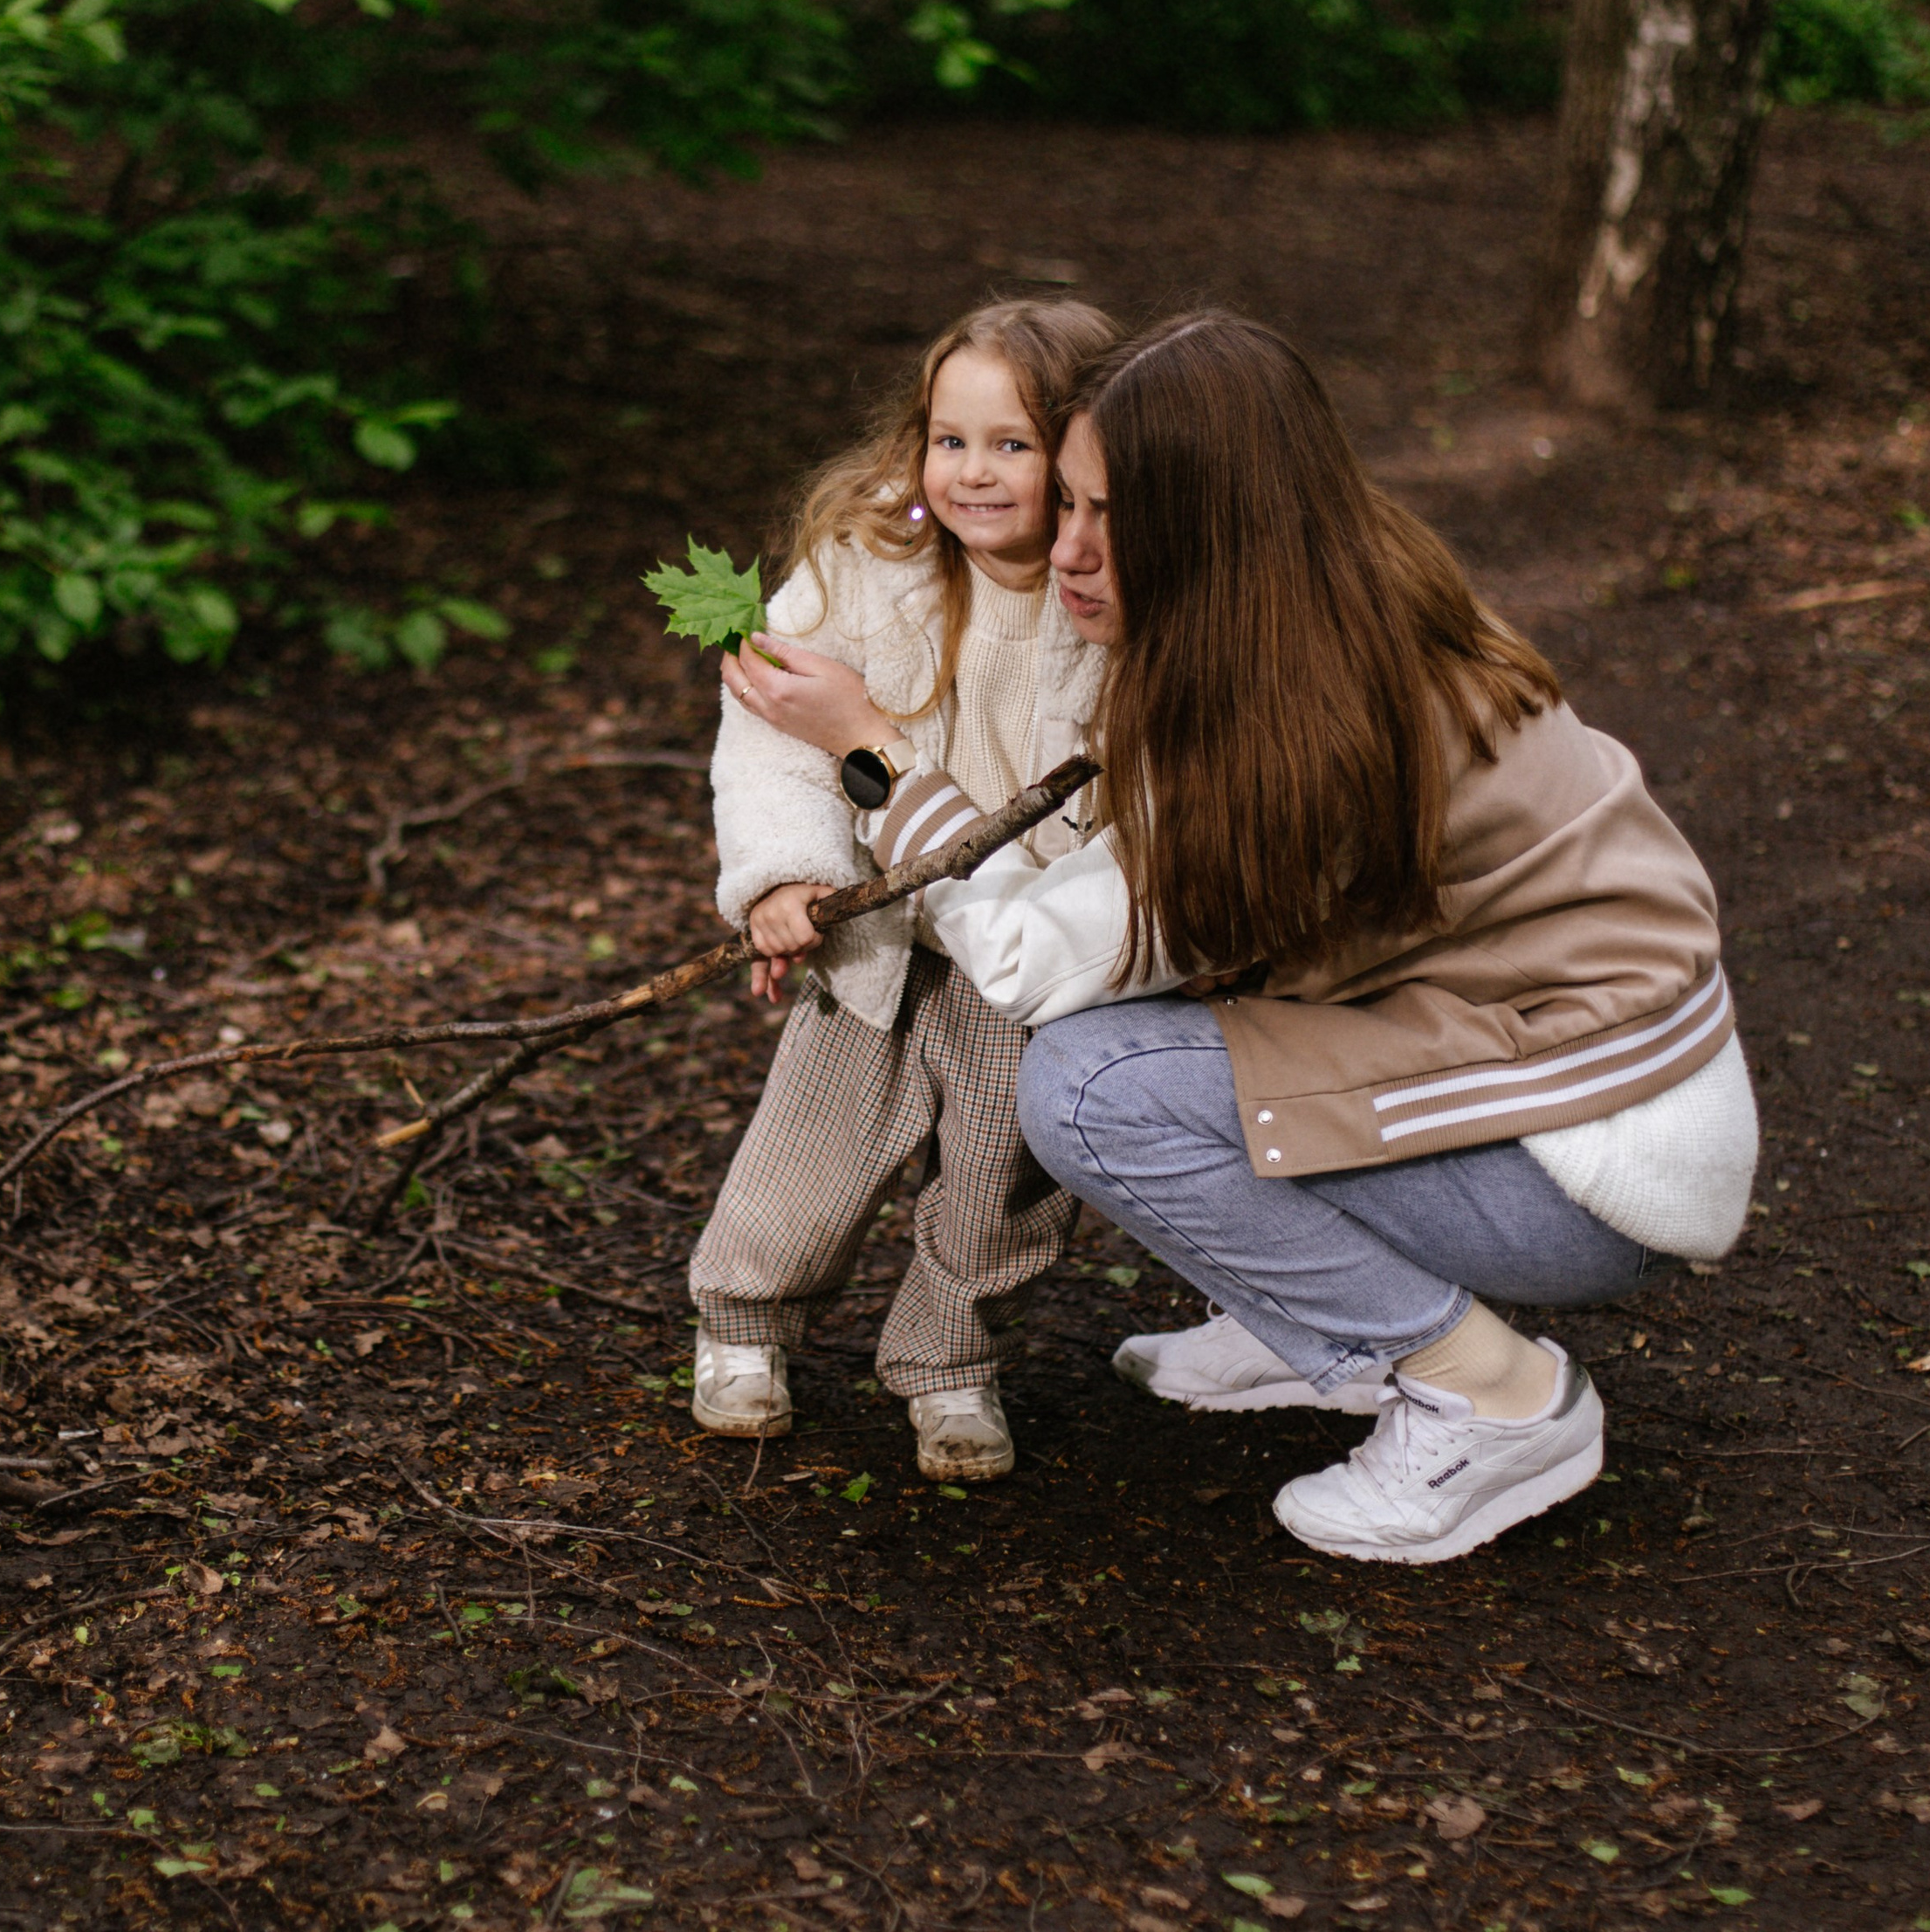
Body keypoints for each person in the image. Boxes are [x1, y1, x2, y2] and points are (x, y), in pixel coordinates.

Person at [720, 309, 1757, 1563]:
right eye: (1076, 507)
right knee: (1149, 1031)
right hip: (1563, 1056)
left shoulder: (1298, 729)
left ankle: (1492, 1397)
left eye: (1116, 520)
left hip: (1593, 1165)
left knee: (1092, 1085)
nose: (1072, 553)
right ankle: (1306, 1320)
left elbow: (1026, 967)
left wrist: (874, 748)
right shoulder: (1321, 603)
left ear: (1224, 524)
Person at [692, 298, 1118, 1481]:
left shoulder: (1112, 594)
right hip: (882, 923)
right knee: (813, 1145)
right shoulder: (869, 566)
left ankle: (951, 1360)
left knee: (1001, 1171)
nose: (973, 472)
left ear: (1084, 453)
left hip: (1024, 942)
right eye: (950, 439)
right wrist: (786, 875)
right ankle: (743, 1321)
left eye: (1014, 446)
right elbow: (775, 732)